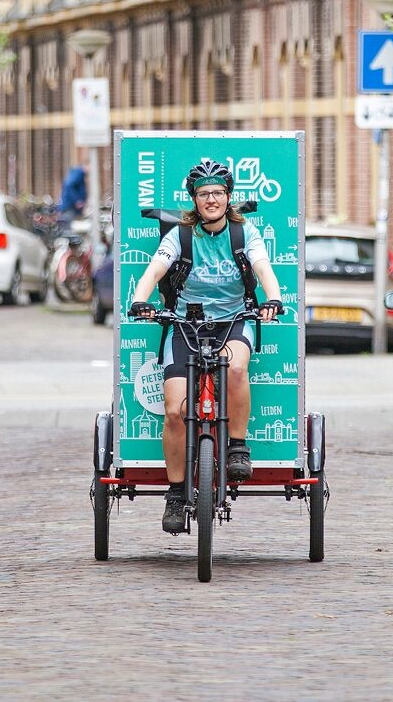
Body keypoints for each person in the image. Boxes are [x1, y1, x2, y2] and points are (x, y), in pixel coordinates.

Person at [127, 159, 284, 534]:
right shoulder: (180, 236)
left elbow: (264, 270)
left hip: (233, 322)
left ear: (228, 198)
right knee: (174, 410)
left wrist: (273, 298)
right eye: (203, 194)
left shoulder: (244, 234)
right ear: (194, 201)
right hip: (185, 326)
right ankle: (178, 493)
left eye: (217, 193)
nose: (211, 200)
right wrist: (139, 299)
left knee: (236, 369)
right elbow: (154, 271)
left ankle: (238, 446)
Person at [57, 164, 88, 232]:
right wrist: (77, 200)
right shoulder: (79, 172)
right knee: (68, 230)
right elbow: (69, 185)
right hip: (70, 207)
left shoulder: (76, 172)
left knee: (68, 227)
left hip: (68, 206)